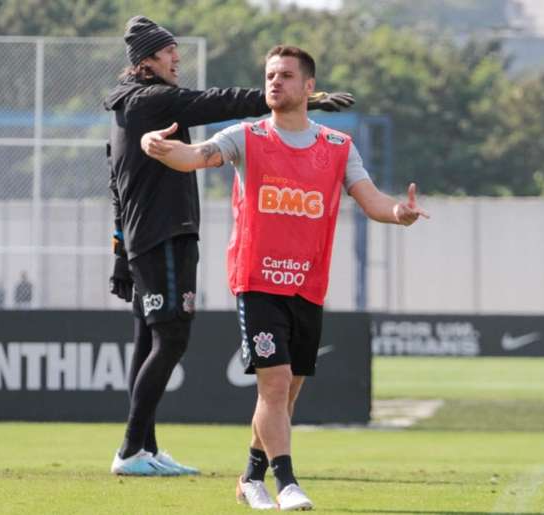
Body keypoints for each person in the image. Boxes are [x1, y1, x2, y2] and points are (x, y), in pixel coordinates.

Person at [141, 45, 429, 509]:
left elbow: (372, 200)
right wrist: (156, 147)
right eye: (270, 75)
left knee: (288, 391)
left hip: (308, 284)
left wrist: (400, 212)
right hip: (257, 281)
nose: (274, 82)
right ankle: (287, 483)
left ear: (309, 87)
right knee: (273, 385)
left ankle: (250, 478)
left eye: (286, 75)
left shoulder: (338, 147)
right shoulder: (247, 136)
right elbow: (194, 156)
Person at [105, 16, 355, 477]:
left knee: (149, 338)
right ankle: (130, 450)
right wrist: (297, 97)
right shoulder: (151, 99)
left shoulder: (130, 106)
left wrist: (120, 250)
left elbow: (116, 181)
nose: (176, 58)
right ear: (145, 61)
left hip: (147, 237)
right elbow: (212, 102)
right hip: (163, 235)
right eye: (167, 52)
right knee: (172, 336)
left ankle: (145, 449)